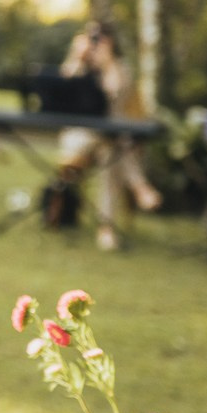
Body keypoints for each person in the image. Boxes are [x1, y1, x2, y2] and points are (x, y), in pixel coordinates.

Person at [57, 22, 162, 250]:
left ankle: (106, 228)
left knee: (110, 151)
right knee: (113, 146)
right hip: (78, 138)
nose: (94, 41)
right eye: (90, 36)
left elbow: (116, 96)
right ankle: (138, 187)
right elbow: (61, 88)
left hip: (108, 140)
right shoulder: (80, 64)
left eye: (99, 37)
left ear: (110, 41)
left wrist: (107, 63)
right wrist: (77, 57)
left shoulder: (118, 68)